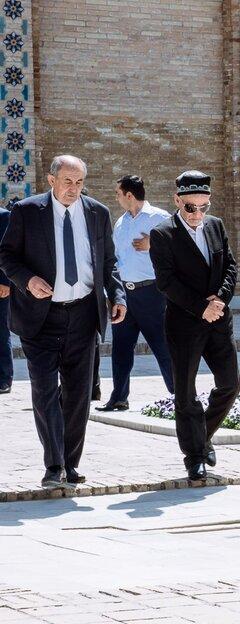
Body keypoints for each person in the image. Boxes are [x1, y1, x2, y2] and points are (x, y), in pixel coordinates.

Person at [0, 155, 125, 488]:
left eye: (79, 182)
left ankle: (71, 464)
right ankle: (53, 464)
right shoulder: (27, 211)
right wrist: (27, 280)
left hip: (84, 315)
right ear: (51, 180)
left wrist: (118, 296)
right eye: (67, 181)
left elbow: (109, 262)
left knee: (78, 395)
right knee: (44, 390)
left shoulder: (98, 213)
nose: (74, 188)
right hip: (41, 317)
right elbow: (6, 255)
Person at [149, 171, 240, 482]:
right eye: (191, 207)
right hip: (184, 324)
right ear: (177, 201)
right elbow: (166, 282)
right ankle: (194, 456)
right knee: (186, 393)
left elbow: (230, 266)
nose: (198, 214)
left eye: (204, 207)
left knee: (230, 384)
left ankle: (202, 436)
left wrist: (221, 299)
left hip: (219, 319)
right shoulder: (163, 234)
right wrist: (203, 307)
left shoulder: (215, 226)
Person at [99, 175, 174, 411]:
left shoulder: (159, 218)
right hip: (124, 294)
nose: (117, 198)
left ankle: (181, 397)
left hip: (152, 294)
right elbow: (115, 259)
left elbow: (181, 246)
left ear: (129, 195)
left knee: (163, 346)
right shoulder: (121, 223)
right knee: (121, 348)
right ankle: (119, 397)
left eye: (118, 194)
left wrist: (154, 243)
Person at [0, 206, 11, 395]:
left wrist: (5, 281)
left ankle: (3, 378)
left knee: (1, 330)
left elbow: (7, 252)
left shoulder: (4, 216)